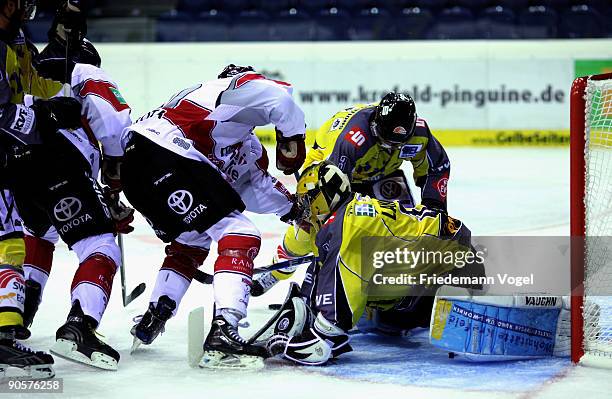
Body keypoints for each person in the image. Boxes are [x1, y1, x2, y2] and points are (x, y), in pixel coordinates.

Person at [120, 64, 306, 369]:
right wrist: (292, 141)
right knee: (241, 233)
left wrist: (293, 209)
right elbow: (280, 100)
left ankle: (155, 314)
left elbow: (253, 187)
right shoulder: (229, 88)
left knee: (191, 240)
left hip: (140, 169)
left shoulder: (242, 140)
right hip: (166, 151)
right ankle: (224, 330)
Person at [265, 161, 480, 365]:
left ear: (323, 198)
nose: (303, 207)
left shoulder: (348, 224)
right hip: (417, 285)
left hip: (453, 266)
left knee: (340, 281)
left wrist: (323, 333)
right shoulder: (329, 220)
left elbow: (341, 303)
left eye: (307, 200)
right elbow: (293, 251)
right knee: (382, 318)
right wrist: (262, 281)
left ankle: (475, 302)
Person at [11, 35, 135, 371]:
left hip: (16, 161)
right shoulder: (87, 73)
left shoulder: (26, 72)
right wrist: (114, 172)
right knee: (100, 244)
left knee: (39, 234)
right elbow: (114, 122)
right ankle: (81, 325)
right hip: (59, 160)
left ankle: (19, 314)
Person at [252, 92, 452, 296]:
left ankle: (394, 286)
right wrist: (330, 244)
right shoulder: (354, 137)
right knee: (312, 232)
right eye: (385, 142)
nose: (391, 148)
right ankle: (282, 271)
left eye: (397, 145)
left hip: (383, 174)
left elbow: (437, 168)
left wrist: (433, 206)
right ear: (376, 125)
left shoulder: (419, 134)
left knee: (404, 227)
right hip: (328, 173)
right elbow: (333, 194)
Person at [0, 0, 86, 378]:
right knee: (8, 245)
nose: (27, 8)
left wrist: (66, 57)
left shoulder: (15, 38)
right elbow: (3, 112)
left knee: (10, 242)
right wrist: (46, 117)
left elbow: (32, 82)